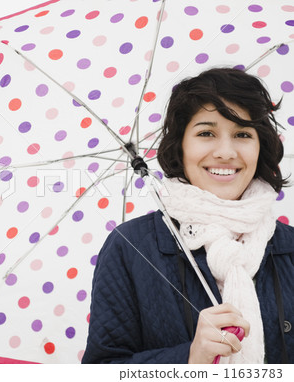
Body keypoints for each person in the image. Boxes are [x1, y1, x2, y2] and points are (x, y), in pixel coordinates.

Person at [82, 68, 293, 364]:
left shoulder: (289, 246)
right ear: (181, 145)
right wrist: (189, 358)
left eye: (242, 134)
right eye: (206, 133)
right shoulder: (130, 248)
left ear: (261, 146)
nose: (225, 151)